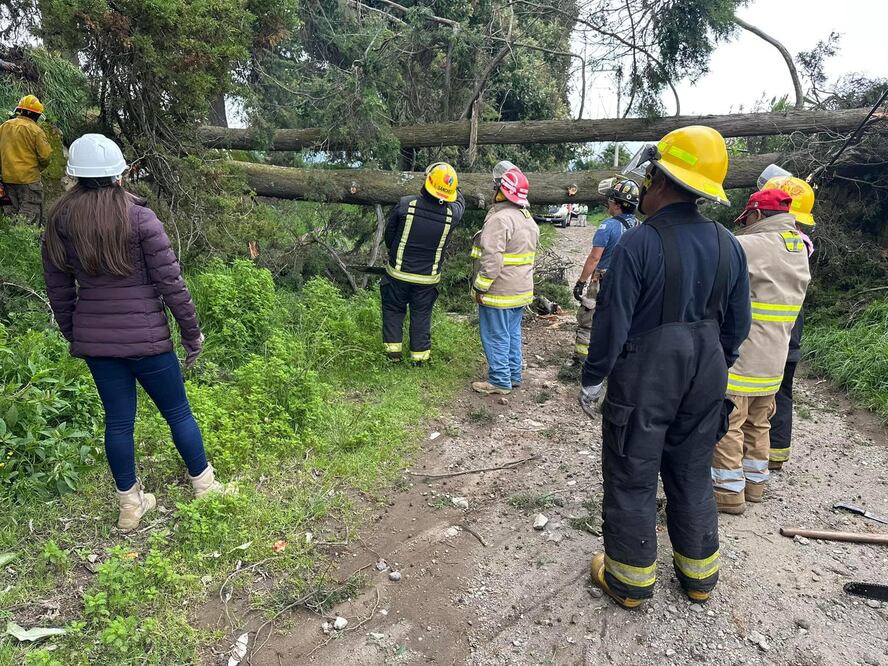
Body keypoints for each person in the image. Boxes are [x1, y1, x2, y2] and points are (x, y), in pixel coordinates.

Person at [579, 126, 751, 609]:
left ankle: (630, 584)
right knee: (694, 470)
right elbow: (738, 325)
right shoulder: (730, 244)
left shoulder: (638, 245)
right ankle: (699, 579)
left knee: (633, 471)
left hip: (647, 378)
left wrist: (594, 379)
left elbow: (610, 324)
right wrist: (713, 365)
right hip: (708, 372)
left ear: (660, 181)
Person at [42, 134, 230, 531]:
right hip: (148, 340)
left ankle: (130, 506)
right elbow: (171, 284)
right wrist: (191, 333)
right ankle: (205, 485)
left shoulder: (60, 220)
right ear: (120, 175)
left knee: (118, 421)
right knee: (178, 412)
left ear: (74, 177)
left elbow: (58, 289)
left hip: (97, 342)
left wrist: (75, 333)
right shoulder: (140, 217)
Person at [382, 162, 465, 363]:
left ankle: (393, 354)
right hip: (428, 279)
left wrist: (396, 254)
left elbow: (389, 236)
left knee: (394, 310)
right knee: (421, 315)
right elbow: (460, 202)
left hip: (398, 273)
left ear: (427, 181)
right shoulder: (452, 214)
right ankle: (419, 358)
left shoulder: (405, 205)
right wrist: (453, 184)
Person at [470, 166, 539, 395]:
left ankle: (499, 380)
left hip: (500, 291)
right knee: (511, 333)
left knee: (495, 334)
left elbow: (492, 261)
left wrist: (480, 287)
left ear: (502, 191)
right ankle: (513, 374)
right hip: (520, 290)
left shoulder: (500, 219)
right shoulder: (526, 218)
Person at [766, 177, 816, 471]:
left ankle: (757, 452)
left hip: (775, 323)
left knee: (764, 390)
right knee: (782, 390)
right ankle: (776, 453)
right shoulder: (802, 242)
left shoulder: (785, 243)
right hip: (793, 321)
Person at [572, 179, 639, 361]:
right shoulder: (640, 227)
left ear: (617, 204)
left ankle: (581, 359)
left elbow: (595, 258)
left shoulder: (607, 226)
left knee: (589, 318)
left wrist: (581, 282)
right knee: (621, 319)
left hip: (602, 280)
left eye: (610, 199)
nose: (608, 202)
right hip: (629, 281)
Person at [0, 95, 53, 224]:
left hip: (7, 179)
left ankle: (12, 242)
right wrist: (38, 169)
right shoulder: (36, 131)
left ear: (20, 110)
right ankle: (27, 243)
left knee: (10, 216)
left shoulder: (4, 127)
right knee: (29, 217)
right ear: (37, 115)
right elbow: (45, 157)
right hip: (29, 181)